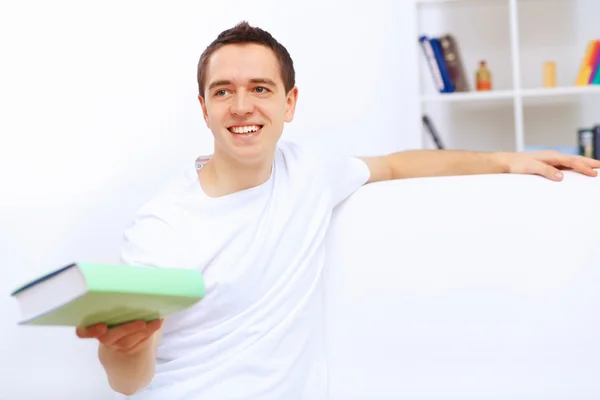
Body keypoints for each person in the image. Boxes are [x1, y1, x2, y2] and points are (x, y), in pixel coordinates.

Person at [75, 21, 600, 399]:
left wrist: (505, 159)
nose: (241, 106)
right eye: (223, 91)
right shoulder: (162, 226)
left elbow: (396, 166)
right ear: (204, 107)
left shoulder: (310, 171)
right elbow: (129, 382)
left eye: (260, 89)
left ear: (289, 102)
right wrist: (123, 350)